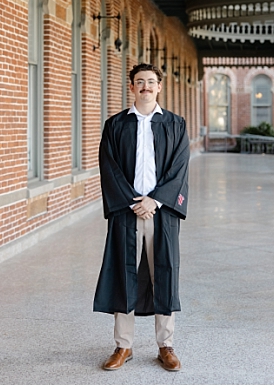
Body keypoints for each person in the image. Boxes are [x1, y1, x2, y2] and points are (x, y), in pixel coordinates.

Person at [93, 63, 190, 372]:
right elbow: (109, 167)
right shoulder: (115, 125)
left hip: (161, 213)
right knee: (123, 275)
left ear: (159, 87)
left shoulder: (176, 124)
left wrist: (157, 200)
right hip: (127, 210)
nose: (146, 86)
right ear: (131, 87)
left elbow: (180, 168)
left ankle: (166, 345)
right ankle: (124, 346)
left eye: (151, 81)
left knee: (165, 272)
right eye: (140, 81)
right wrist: (132, 202)